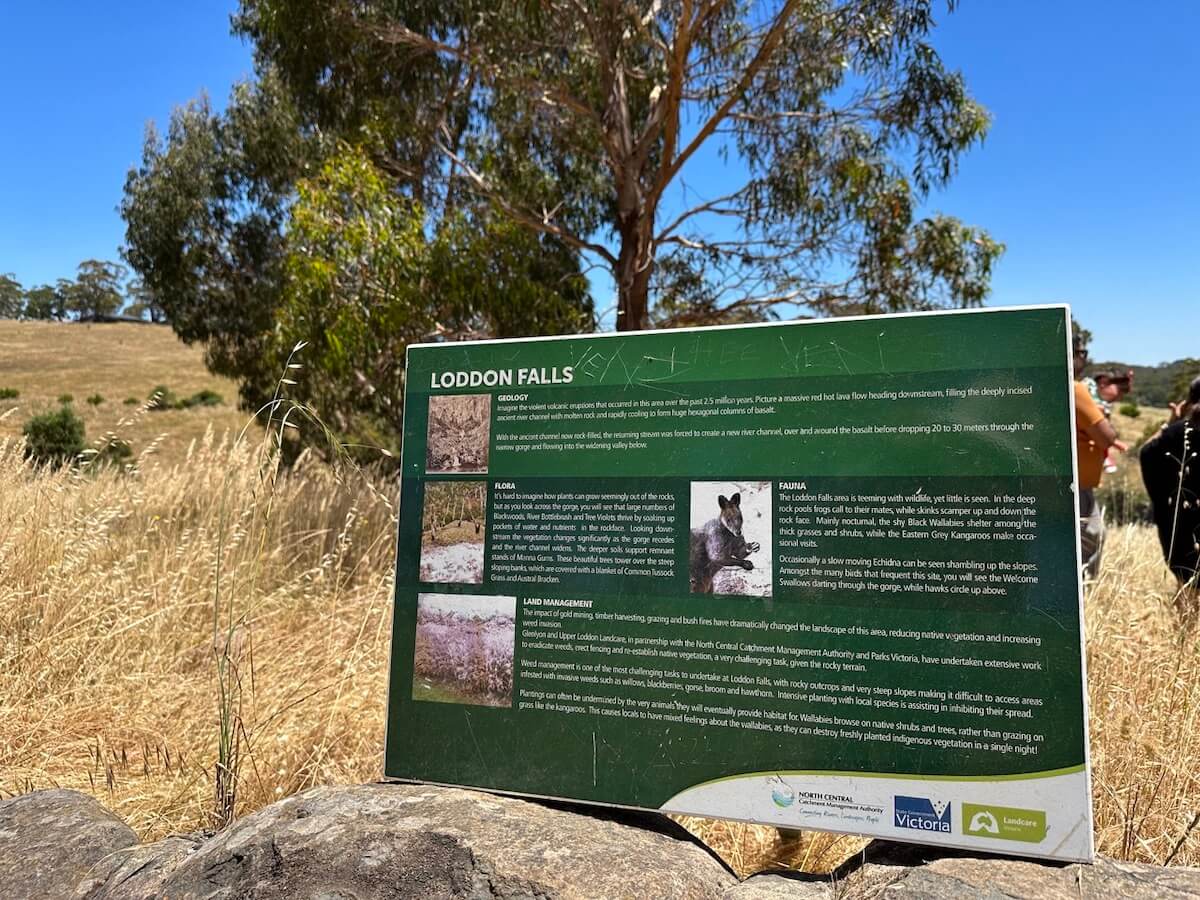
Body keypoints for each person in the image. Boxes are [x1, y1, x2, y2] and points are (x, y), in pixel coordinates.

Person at [1139, 376, 1200, 618]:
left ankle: (1184, 636)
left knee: (1187, 585)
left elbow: (1147, 453)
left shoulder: (1175, 434)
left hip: (1180, 525)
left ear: (1189, 401)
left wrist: (1172, 420)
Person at [1073, 338, 1126, 579]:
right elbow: (1106, 436)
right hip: (1076, 485)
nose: (1085, 357)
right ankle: (1083, 601)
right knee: (1091, 538)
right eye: (1082, 352)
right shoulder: (1076, 390)